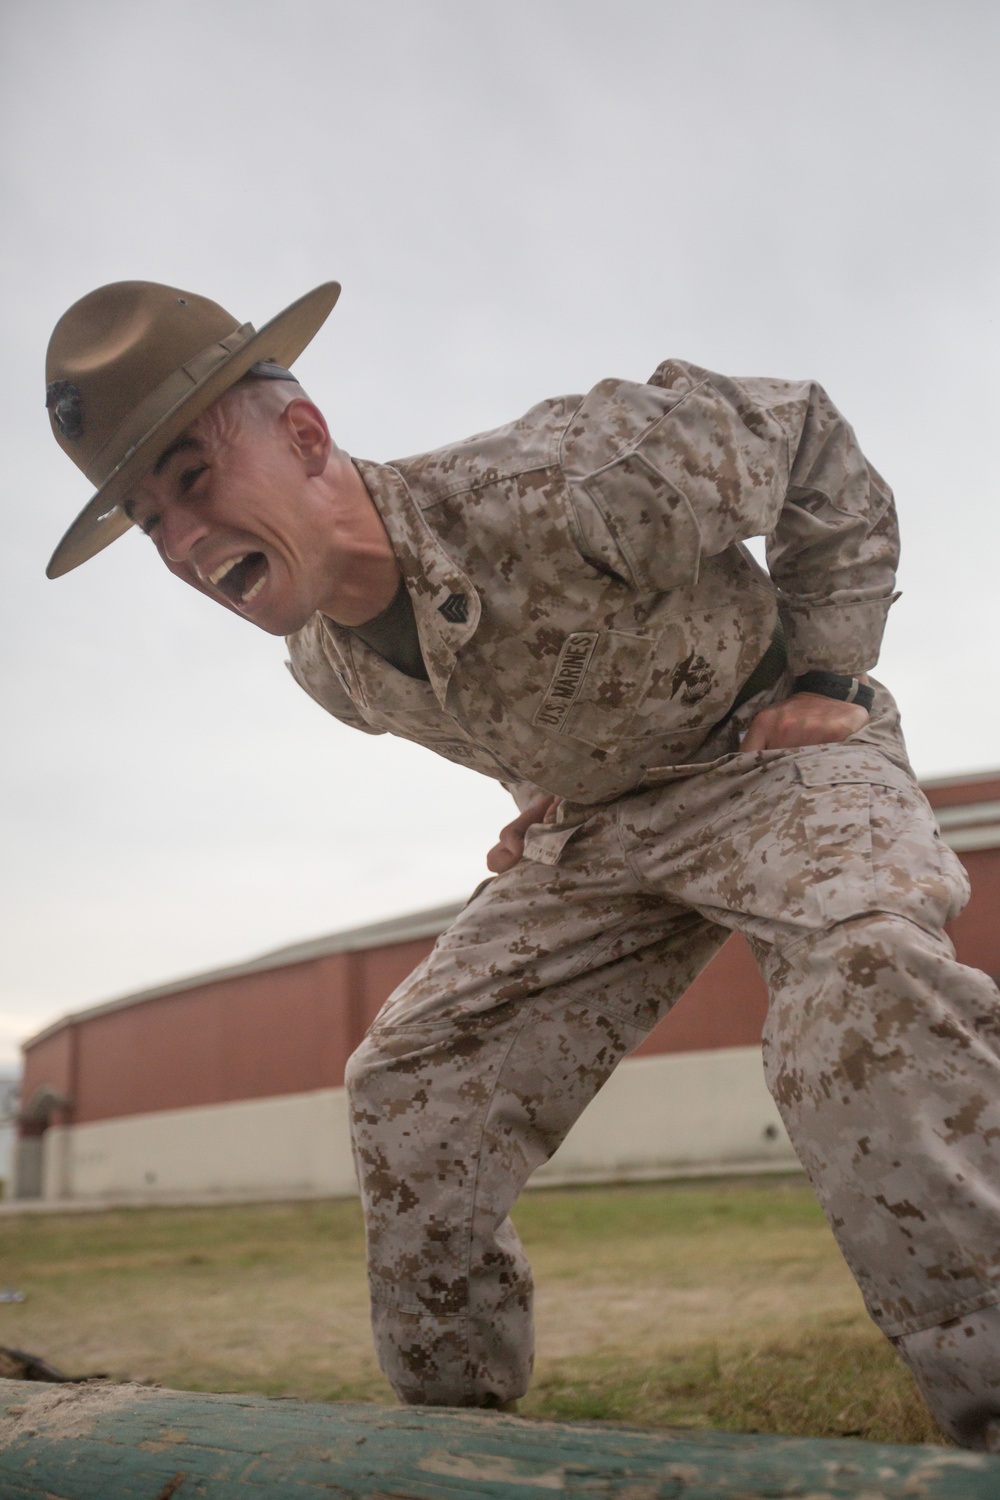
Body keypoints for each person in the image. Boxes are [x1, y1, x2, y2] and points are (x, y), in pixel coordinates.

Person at [44, 279, 1000, 1448]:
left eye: (192, 480)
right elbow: (492, 700)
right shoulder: (326, 668)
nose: (184, 543)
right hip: (597, 829)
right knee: (408, 1078)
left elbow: (803, 433)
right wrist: (532, 790)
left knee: (865, 977)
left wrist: (832, 671)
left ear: (303, 436)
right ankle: (454, 1448)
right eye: (149, 522)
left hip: (764, 752)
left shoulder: (565, 483)